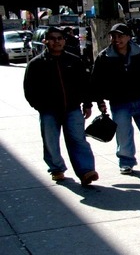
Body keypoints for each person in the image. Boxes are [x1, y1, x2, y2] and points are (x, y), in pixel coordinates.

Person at [23, 26, 99, 185]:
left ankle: (86, 171)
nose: (56, 42)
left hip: (72, 109)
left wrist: (87, 104)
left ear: (64, 41)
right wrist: (39, 106)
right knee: (51, 141)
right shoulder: (36, 64)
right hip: (48, 111)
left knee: (78, 140)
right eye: (52, 38)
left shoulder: (74, 61)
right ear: (45, 41)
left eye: (59, 38)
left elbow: (85, 84)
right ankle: (56, 169)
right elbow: (29, 89)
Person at [91, 23, 140, 175]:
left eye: (120, 36)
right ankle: (126, 162)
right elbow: (96, 81)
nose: (116, 39)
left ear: (128, 37)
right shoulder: (104, 57)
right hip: (119, 102)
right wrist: (100, 101)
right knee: (123, 135)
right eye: (113, 36)